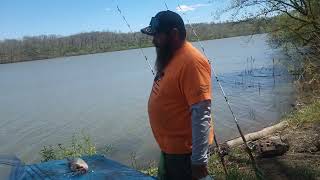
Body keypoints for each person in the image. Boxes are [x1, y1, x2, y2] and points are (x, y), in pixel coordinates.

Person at [141, 10, 214, 180]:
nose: (153, 41)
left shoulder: (192, 62)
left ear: (174, 34)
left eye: (157, 36)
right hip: (170, 150)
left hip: (185, 154)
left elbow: (202, 113)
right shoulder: (171, 57)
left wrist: (198, 161)